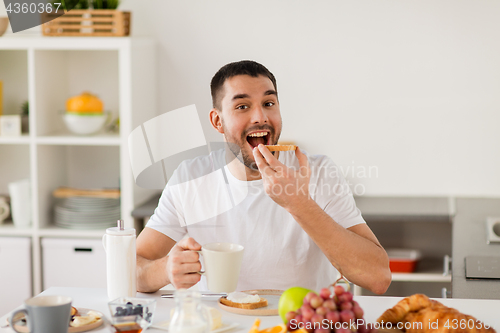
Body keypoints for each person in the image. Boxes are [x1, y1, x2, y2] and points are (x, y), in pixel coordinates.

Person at [136, 60, 391, 294]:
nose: (260, 117)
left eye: (269, 104)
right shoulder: (190, 178)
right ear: (217, 121)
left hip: (301, 324)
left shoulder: (319, 172)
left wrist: (299, 203)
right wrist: (165, 270)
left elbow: (377, 277)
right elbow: (132, 268)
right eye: (242, 106)